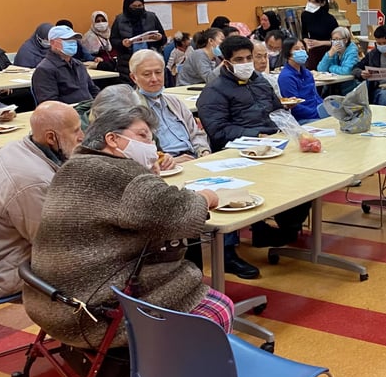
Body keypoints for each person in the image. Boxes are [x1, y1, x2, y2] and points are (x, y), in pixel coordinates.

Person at [22, 106, 231, 377]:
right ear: (113, 140)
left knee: (177, 274)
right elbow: (183, 216)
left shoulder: (73, 166)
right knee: (216, 307)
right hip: (90, 311)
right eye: (142, 136)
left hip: (47, 297)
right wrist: (206, 195)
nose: (150, 143)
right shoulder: (122, 176)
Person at [197, 36, 310, 278]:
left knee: (307, 176)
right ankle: (226, 253)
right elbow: (218, 132)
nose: (247, 63)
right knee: (233, 188)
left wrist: (297, 133)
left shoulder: (260, 82)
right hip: (234, 153)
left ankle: (276, 228)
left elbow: (278, 111)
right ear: (226, 62)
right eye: (240, 60)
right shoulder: (213, 92)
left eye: (249, 58)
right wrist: (255, 134)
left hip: (270, 147)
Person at [0, 102, 82, 301]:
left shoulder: (16, 147)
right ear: (51, 137)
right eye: (76, 131)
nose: (82, 137)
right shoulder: (33, 183)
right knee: (115, 267)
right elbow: (57, 246)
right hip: (1, 274)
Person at [129, 50, 211, 161]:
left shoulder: (174, 101)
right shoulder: (131, 108)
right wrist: (168, 161)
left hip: (193, 158)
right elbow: (136, 151)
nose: (154, 79)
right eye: (147, 74)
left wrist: (203, 151)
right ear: (134, 77)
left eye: (158, 72)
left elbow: (196, 133)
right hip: (166, 164)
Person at [31, 25, 100, 105]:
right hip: (67, 114)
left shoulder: (79, 65)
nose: (73, 43)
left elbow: (93, 90)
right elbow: (50, 104)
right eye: (67, 40)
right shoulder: (45, 69)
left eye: (74, 40)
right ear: (53, 43)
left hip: (88, 110)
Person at [111, 0, 167, 83]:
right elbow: (113, 40)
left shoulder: (151, 17)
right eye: (134, 7)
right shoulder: (119, 20)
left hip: (150, 59)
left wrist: (159, 38)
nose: (137, 9)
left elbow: (163, 38)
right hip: (127, 62)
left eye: (140, 6)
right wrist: (122, 43)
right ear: (127, 6)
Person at [278, 39, 323, 122]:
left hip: (317, 113)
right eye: (296, 49)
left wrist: (325, 109)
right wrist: (318, 114)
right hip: (303, 118)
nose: (301, 51)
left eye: (303, 48)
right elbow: (294, 106)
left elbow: (316, 96)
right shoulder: (286, 77)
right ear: (288, 53)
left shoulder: (307, 73)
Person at [301, 0, 337, 70]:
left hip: (328, 53)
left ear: (322, 3)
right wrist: (305, 39)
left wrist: (320, 43)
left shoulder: (330, 19)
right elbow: (304, 33)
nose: (310, 4)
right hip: (313, 52)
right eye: (309, 1)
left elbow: (338, 42)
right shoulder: (305, 15)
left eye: (314, 2)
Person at [317, 26, 360, 95]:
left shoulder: (352, 51)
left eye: (337, 39)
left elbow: (347, 70)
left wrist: (330, 67)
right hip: (333, 87)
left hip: (349, 88)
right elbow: (320, 69)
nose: (335, 42)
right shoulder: (333, 50)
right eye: (333, 39)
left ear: (345, 40)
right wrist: (329, 54)